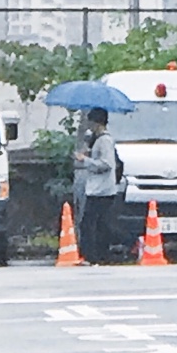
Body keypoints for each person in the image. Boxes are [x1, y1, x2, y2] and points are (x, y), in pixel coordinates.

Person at [72, 107, 120, 263]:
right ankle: (97, 256)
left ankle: (93, 256)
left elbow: (106, 164)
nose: (89, 126)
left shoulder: (105, 140)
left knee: (91, 224)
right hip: (96, 188)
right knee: (96, 223)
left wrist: (84, 160)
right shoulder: (96, 139)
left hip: (102, 190)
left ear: (97, 123)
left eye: (91, 122)